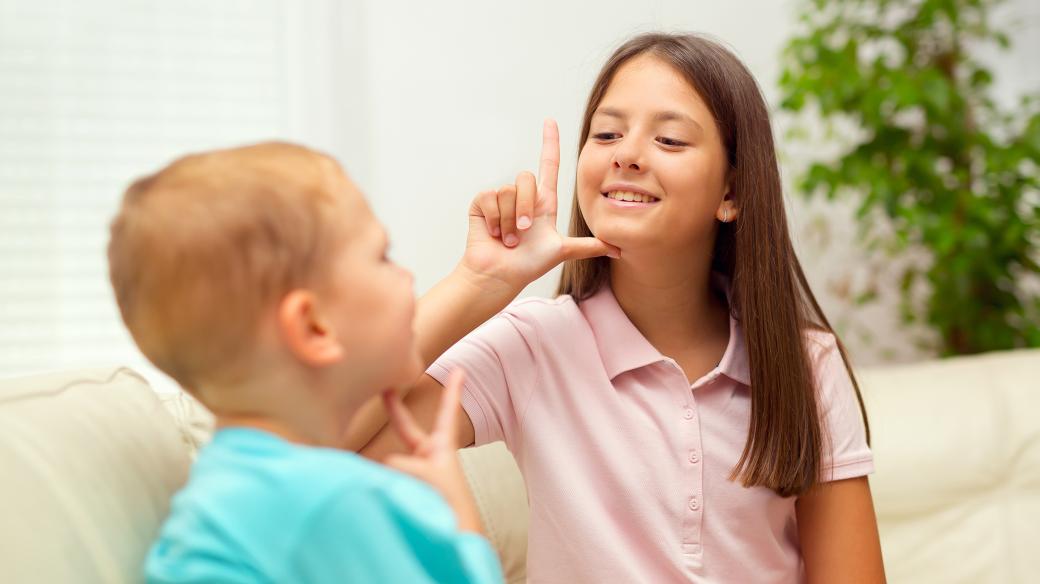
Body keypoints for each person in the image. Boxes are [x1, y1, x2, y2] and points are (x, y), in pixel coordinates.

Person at [350, 32, 886, 582]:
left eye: (670, 140)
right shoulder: (534, 345)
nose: (627, 155)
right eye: (607, 133)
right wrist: (476, 282)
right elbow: (331, 434)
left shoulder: (805, 362)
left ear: (732, 192)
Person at [107, 142, 504, 583]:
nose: (406, 276)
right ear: (313, 327)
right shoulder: (335, 502)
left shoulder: (222, 494)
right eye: (382, 257)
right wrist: (462, 522)